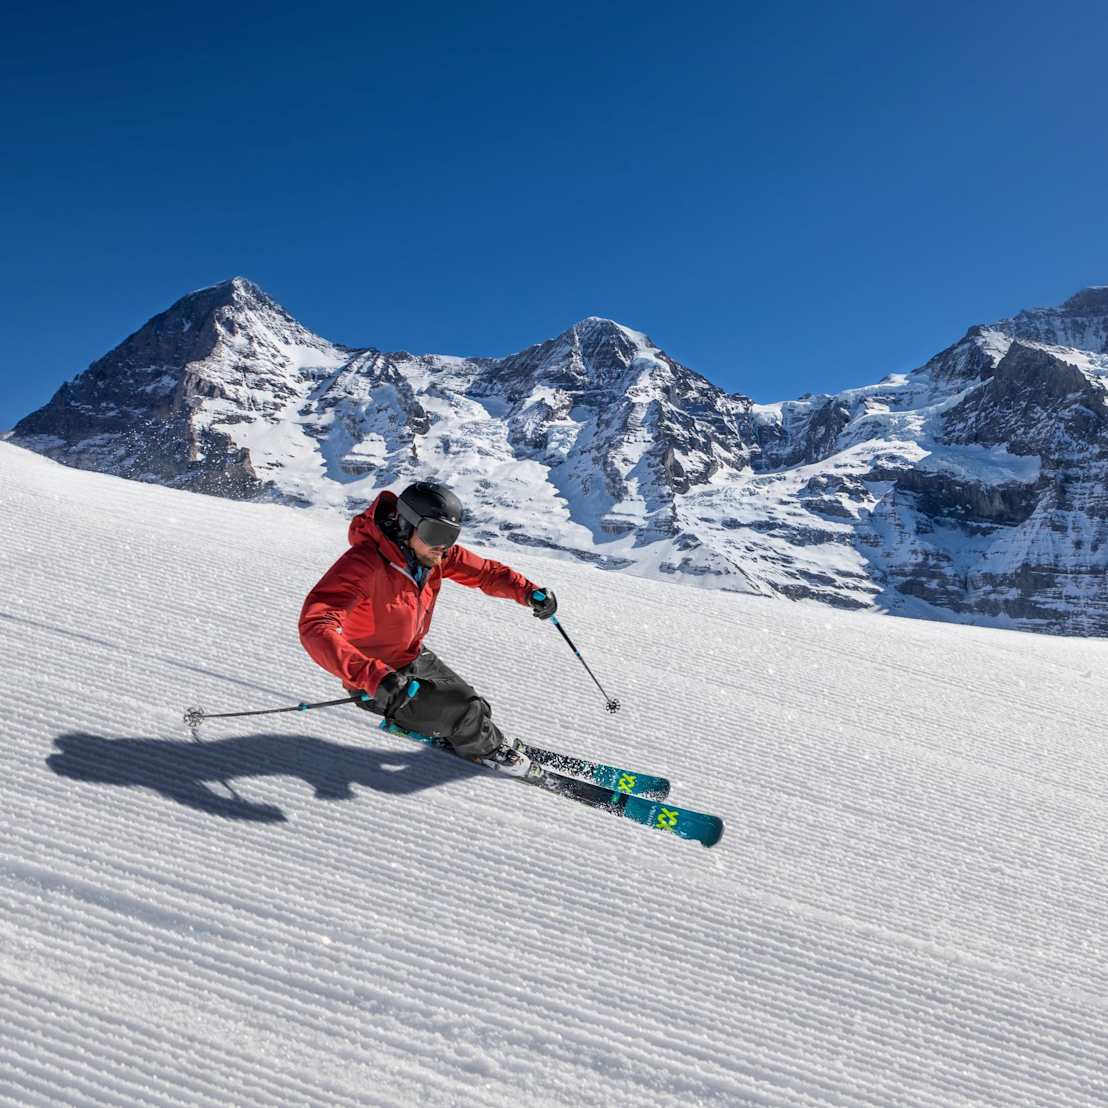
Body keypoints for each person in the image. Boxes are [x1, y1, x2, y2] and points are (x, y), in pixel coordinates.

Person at [298, 480, 558, 777]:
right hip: (379, 682)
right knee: (464, 711)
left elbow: (486, 573)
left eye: (451, 535)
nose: (443, 545)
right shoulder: (363, 565)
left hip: (412, 655)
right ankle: (488, 752)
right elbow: (315, 625)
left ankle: (470, 734)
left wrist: (528, 592)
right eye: (435, 533)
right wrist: (373, 677)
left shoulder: (433, 556)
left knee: (475, 704)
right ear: (405, 525)